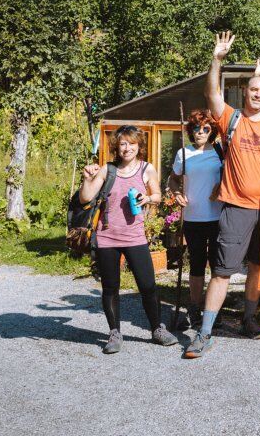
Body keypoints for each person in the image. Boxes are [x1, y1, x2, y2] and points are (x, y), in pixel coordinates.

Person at [188, 31, 260, 356]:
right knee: (222, 272)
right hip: (236, 207)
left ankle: (248, 320)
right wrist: (217, 59)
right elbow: (211, 92)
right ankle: (204, 333)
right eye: (254, 89)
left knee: (257, 267)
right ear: (246, 92)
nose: (258, 94)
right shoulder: (232, 118)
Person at [80, 125, 179, 354]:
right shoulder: (107, 169)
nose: (127, 148)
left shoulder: (147, 168)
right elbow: (86, 197)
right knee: (110, 287)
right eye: (123, 143)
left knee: (148, 286)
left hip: (135, 236)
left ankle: (157, 329)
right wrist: (87, 178)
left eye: (132, 144)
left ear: (138, 146)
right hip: (107, 237)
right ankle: (114, 333)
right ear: (117, 146)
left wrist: (148, 198)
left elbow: (157, 195)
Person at [167, 110, 224, 345]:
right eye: (197, 128)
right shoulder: (184, 153)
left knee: (219, 266)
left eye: (206, 129)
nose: (200, 132)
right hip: (193, 217)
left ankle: (213, 309)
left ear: (212, 131)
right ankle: (194, 307)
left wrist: (220, 186)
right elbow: (172, 178)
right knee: (197, 264)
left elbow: (231, 175)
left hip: (219, 216)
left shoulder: (221, 152)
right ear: (190, 130)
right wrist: (177, 193)